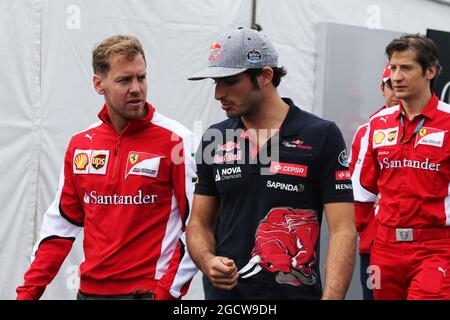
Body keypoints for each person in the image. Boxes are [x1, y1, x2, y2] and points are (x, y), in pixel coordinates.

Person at [16, 35, 198, 300]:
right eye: (124, 80)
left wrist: (165, 294)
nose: (136, 88)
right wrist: (28, 292)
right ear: (98, 84)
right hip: (89, 292)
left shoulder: (178, 140)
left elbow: (196, 228)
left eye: (142, 77)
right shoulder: (81, 144)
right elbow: (60, 226)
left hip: (146, 292)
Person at [186, 27, 356, 300]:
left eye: (230, 81)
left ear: (265, 76)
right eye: (215, 82)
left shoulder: (321, 135)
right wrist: (207, 261)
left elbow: (343, 229)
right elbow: (199, 223)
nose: (218, 93)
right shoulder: (215, 138)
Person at [354, 33, 450, 300]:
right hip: (384, 247)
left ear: (430, 71)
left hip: (435, 247)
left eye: (406, 68)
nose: (396, 77)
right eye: (393, 68)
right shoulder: (376, 124)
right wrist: (369, 238)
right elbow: (362, 192)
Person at [349, 62, 400, 300]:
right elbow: (357, 189)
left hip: (423, 247)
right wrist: (368, 232)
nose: (396, 90)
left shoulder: (437, 124)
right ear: (382, 89)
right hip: (374, 246)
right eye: (389, 84)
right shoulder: (366, 131)